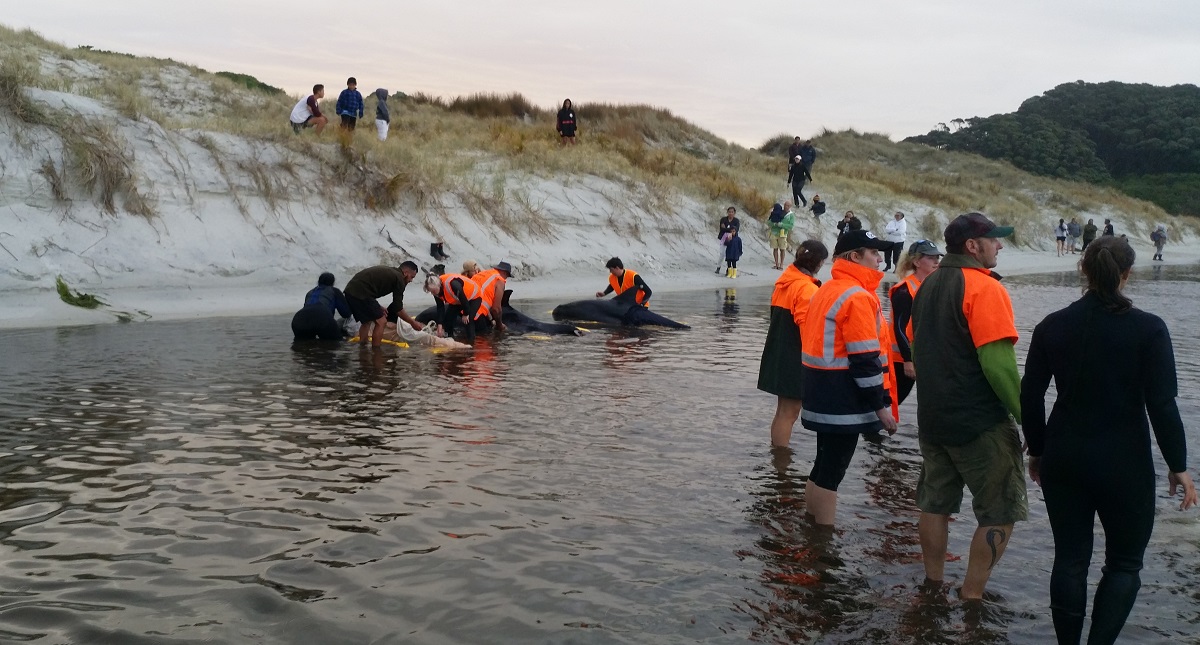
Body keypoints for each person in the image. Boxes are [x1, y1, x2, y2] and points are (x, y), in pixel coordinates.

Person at [1020, 235, 1196, 644]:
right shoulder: (1149, 329)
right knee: (1124, 564)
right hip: (1124, 461)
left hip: (1065, 455)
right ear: (1127, 274)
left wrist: (1038, 449)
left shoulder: (1052, 325)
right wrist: (1178, 465)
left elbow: (1031, 393)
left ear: (1084, 269)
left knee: (1070, 559)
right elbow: (1162, 404)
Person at [909, 212, 1024, 600]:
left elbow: (916, 347)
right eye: (994, 239)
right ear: (973, 246)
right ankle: (971, 597)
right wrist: (1029, 419)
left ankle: (933, 584)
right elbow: (999, 366)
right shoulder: (985, 287)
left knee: (934, 504)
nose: (999, 245)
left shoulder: (926, 285)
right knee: (1000, 511)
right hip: (979, 422)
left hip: (932, 418)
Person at [799, 229, 898, 525]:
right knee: (832, 473)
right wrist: (880, 407)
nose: (879, 259)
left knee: (822, 466)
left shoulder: (828, 289)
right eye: (874, 253)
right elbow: (864, 359)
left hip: (820, 391)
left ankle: (810, 528)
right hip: (843, 398)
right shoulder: (857, 296)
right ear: (855, 256)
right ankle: (823, 540)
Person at [758, 240, 829, 448]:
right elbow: (809, 330)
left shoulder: (784, 282)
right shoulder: (806, 288)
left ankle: (777, 456)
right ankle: (781, 458)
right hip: (795, 357)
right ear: (819, 263)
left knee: (783, 411)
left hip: (779, 353)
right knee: (789, 413)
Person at [888, 240, 942, 405]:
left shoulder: (932, 286)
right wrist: (908, 360)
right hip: (901, 359)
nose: (936, 261)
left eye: (937, 257)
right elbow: (899, 328)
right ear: (917, 262)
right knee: (892, 401)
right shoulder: (904, 290)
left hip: (922, 357)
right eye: (931, 258)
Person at [344, 262, 424, 347]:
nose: (411, 280)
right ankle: (376, 351)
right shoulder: (399, 279)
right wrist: (412, 322)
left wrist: (378, 306)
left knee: (367, 321)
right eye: (411, 277)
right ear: (405, 273)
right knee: (381, 322)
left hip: (351, 291)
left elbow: (369, 287)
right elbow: (398, 308)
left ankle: (363, 347)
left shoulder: (392, 273)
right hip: (361, 293)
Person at [425, 271, 484, 343]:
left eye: (433, 291)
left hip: (474, 296)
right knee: (448, 319)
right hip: (458, 300)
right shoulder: (436, 291)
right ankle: (449, 338)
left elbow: (463, 298)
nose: (433, 293)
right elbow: (440, 307)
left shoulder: (453, 284)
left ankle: (471, 343)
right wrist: (440, 324)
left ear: (439, 285)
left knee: (468, 320)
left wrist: (465, 314)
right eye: (431, 292)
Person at [291, 272, 351, 340]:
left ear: (319, 281)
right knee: (335, 343)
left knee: (304, 344)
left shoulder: (310, 292)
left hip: (299, 319)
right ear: (333, 282)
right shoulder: (334, 291)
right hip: (322, 317)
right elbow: (346, 313)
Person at [472, 261, 511, 332]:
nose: (505, 279)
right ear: (505, 273)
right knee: (483, 337)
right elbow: (496, 309)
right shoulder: (499, 280)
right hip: (477, 314)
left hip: (462, 309)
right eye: (507, 277)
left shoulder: (482, 274)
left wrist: (491, 319)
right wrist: (499, 325)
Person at [769, 201, 796, 270]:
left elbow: (791, 226)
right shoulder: (778, 211)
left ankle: (781, 264)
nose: (786, 207)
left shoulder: (791, 215)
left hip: (783, 234)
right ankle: (776, 264)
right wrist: (774, 224)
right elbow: (769, 221)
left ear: (790, 206)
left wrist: (782, 225)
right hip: (774, 233)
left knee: (782, 249)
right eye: (785, 205)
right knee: (775, 248)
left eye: (788, 205)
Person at [717, 206, 741, 274]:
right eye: (729, 212)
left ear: (734, 213)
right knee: (722, 253)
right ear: (727, 212)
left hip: (732, 240)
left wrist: (727, 229)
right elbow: (722, 229)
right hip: (723, 238)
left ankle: (728, 269)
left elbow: (736, 230)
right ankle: (718, 267)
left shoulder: (736, 221)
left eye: (732, 212)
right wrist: (730, 229)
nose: (730, 213)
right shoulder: (723, 219)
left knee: (730, 255)